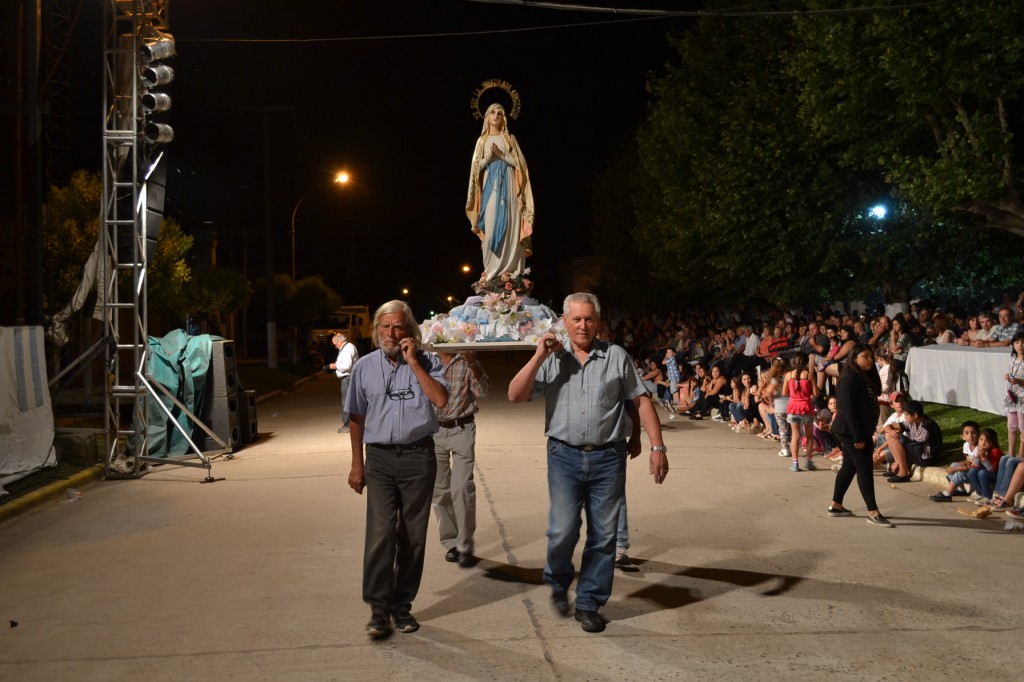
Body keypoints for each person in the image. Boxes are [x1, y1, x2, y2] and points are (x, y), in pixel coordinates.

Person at [508, 292, 669, 634]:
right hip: (563, 455)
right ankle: (557, 578)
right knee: (563, 529)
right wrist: (538, 355)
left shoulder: (615, 356)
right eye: (576, 319)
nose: (583, 325)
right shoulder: (553, 358)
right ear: (564, 322)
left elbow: (640, 402)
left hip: (608, 457)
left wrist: (657, 446)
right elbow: (515, 395)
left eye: (589, 319)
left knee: (603, 536)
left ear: (598, 323)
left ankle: (588, 602)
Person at [346, 301, 449, 639]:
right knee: (380, 534)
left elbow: (441, 401)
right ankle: (378, 609)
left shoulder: (428, 361)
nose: (391, 334)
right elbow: (357, 417)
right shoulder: (363, 367)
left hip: (419, 458)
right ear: (377, 331)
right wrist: (356, 464)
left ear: (410, 331)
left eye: (398, 327)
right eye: (385, 327)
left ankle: (401, 606)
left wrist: (413, 362)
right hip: (379, 460)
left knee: (412, 537)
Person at [432, 351, 490, 568]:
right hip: (434, 431)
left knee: (462, 488)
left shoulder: (465, 360)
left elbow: (482, 390)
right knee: (440, 490)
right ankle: (451, 543)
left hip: (462, 428)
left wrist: (472, 361)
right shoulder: (428, 359)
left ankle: (465, 545)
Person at [827, 344, 895, 527]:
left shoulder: (861, 376)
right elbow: (847, 409)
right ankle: (873, 512)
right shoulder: (849, 378)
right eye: (865, 357)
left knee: (850, 466)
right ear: (854, 358)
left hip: (858, 429)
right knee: (864, 467)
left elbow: (876, 392)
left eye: (871, 357)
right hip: (851, 430)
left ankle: (836, 505)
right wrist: (858, 436)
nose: (870, 360)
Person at [465, 102, 534, 279]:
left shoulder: (510, 139)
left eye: (500, 113)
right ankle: (492, 273)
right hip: (490, 190)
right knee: (491, 225)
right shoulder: (482, 141)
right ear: (486, 117)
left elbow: (522, 166)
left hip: (510, 190)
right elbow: (475, 169)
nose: (496, 116)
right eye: (492, 113)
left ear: (504, 118)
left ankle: (512, 274)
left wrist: (502, 156)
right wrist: (489, 158)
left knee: (512, 225)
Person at [885, 400, 943, 482]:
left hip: (926, 457)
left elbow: (915, 444)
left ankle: (903, 472)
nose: (904, 417)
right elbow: (888, 426)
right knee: (890, 435)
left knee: (895, 438)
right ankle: (899, 467)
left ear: (915, 415)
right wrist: (891, 431)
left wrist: (897, 437)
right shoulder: (912, 422)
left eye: (906, 415)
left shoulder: (926, 425)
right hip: (917, 450)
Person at [928, 420, 980, 502]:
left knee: (959, 472)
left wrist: (956, 469)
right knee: (953, 465)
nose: (970, 436)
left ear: (978, 435)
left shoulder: (979, 449)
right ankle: (961, 489)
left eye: (973, 433)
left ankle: (947, 494)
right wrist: (961, 464)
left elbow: (974, 465)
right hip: (971, 469)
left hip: (977, 473)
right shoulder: (966, 445)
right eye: (966, 433)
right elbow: (969, 460)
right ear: (962, 436)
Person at [784, 352, 818, 472]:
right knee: (809, 436)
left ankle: (795, 464)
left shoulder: (788, 375)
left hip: (793, 408)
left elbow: (784, 393)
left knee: (795, 436)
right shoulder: (809, 375)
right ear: (806, 363)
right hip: (807, 408)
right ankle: (808, 462)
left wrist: (794, 394)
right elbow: (816, 393)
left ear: (793, 362)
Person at [329, 332, 359, 433]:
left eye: (335, 344)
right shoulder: (347, 347)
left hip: (348, 379)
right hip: (349, 378)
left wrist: (334, 366)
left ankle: (347, 425)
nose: (335, 346)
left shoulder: (347, 348)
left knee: (346, 402)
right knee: (349, 402)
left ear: (340, 342)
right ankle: (351, 424)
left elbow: (346, 366)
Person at [1003, 332, 1024, 457]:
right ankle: (1011, 454)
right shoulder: (1013, 359)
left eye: (1022, 342)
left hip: (1022, 397)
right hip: (1012, 396)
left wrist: (1020, 381)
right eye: (1017, 342)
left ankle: (1021, 456)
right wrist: (1007, 376)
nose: (1020, 345)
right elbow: (1012, 372)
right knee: (1011, 425)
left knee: (1022, 426)